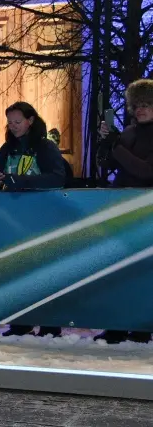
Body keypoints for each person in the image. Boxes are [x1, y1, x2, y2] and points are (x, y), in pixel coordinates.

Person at [0, 101, 67, 338]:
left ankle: (50, 325)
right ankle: (20, 323)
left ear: (30, 121)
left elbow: (57, 178)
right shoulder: (6, 148)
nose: (13, 127)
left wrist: (20, 181)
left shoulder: (45, 147)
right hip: (13, 218)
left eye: (18, 122)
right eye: (10, 122)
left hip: (42, 218)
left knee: (44, 270)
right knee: (16, 270)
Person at [95, 80, 153, 344]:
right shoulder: (129, 132)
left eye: (147, 104)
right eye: (137, 105)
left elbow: (145, 171)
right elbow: (107, 164)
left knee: (143, 273)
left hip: (146, 210)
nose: (141, 110)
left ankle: (142, 327)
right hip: (123, 207)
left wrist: (116, 146)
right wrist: (106, 143)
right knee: (120, 271)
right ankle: (118, 325)